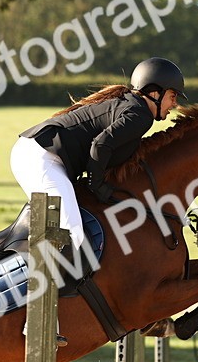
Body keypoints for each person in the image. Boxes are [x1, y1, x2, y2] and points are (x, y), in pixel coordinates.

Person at [11, 57, 186, 346]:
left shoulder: (133, 107)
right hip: (40, 158)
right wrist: (96, 185)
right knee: (71, 232)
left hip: (42, 155)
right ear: (154, 92)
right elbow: (100, 145)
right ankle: (38, 319)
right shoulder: (139, 114)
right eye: (173, 96)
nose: (174, 104)